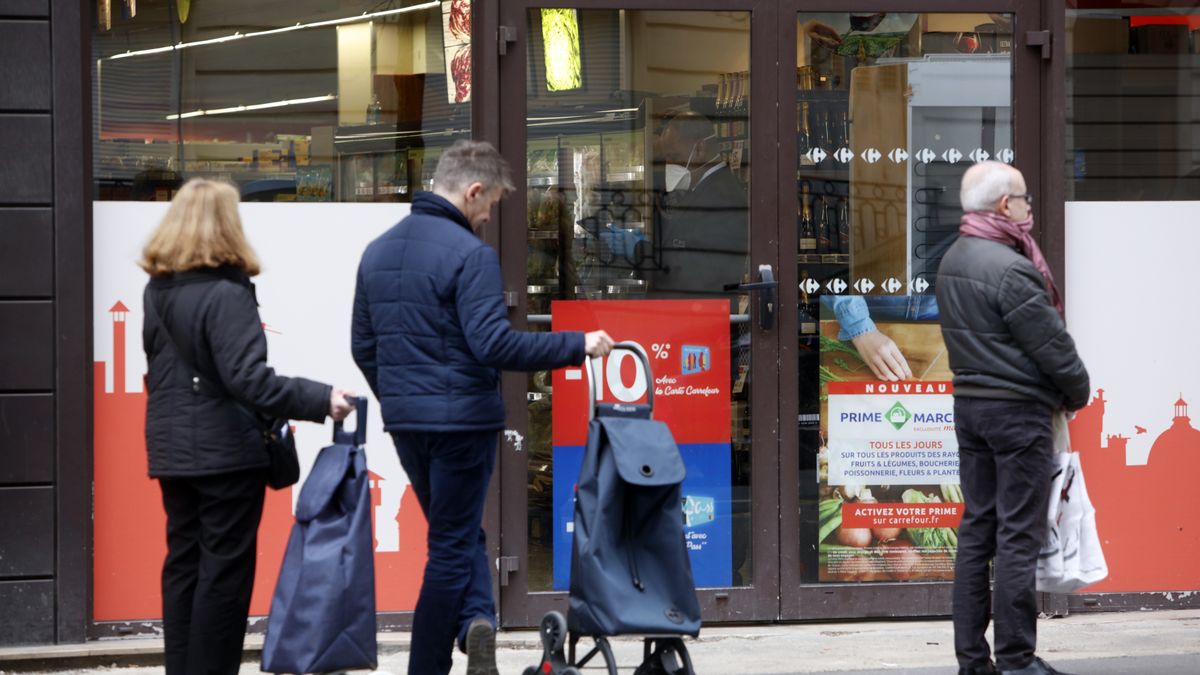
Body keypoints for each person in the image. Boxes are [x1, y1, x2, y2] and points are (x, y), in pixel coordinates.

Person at [351, 140, 614, 675]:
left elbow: (363, 346)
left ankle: (476, 621)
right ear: (471, 191)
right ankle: (427, 666)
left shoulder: (376, 251)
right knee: (448, 552)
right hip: (462, 424)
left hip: (407, 424)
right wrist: (575, 344)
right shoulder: (471, 256)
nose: (489, 214)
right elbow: (496, 344)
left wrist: (401, 398)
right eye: (489, 203)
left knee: (457, 529)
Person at [140, 178, 357, 675]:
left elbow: (158, 369)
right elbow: (249, 382)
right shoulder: (227, 292)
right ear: (226, 226)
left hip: (172, 451)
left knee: (184, 564)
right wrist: (322, 398)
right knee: (224, 574)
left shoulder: (157, 292)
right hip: (224, 454)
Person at [935, 161, 1090, 675]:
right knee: (1018, 537)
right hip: (1017, 414)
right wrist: (1078, 392)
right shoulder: (1011, 267)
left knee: (978, 530)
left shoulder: (953, 258)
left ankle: (973, 662)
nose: (1028, 208)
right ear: (1005, 205)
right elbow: (1052, 346)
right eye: (1024, 199)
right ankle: (1018, 662)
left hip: (971, 409)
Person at [651, 111, 749, 296]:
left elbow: (699, 268)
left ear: (700, 149)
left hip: (705, 310)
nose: (669, 165)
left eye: (674, 156)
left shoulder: (723, 197)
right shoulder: (701, 189)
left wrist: (640, 253)